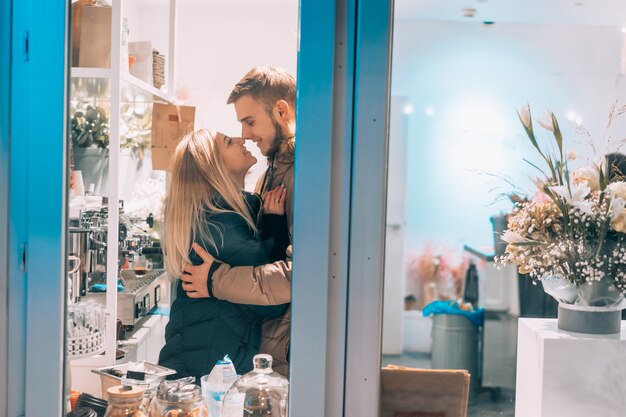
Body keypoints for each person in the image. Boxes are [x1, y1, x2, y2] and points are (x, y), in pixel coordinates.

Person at [180, 66, 296, 376]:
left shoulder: (302, 176)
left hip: (280, 352)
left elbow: (300, 274)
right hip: (254, 355)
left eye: (250, 122)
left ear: (281, 111)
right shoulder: (268, 178)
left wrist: (216, 279)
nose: (245, 135)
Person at [158, 128, 290, 380]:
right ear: (213, 167)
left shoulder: (218, 217)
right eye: (229, 142)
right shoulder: (220, 226)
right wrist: (275, 224)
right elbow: (273, 304)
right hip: (204, 370)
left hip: (201, 362)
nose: (242, 138)